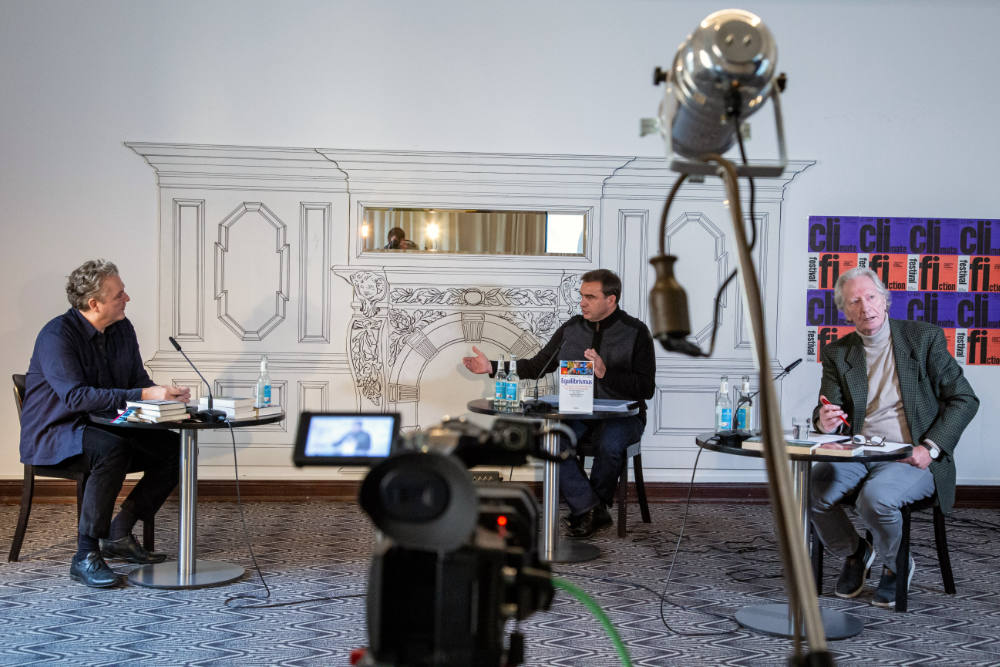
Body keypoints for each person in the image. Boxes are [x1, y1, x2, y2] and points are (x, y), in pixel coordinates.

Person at [810, 267, 978, 608]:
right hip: (859, 452)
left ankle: (895, 565)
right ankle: (857, 552)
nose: (865, 306)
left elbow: (965, 399)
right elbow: (827, 407)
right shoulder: (837, 352)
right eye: (855, 301)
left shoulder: (923, 338)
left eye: (871, 297)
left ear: (884, 301)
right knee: (807, 490)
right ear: (846, 311)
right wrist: (824, 420)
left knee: (875, 499)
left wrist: (930, 449)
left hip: (911, 455)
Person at [19, 260, 190, 588]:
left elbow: (137, 380)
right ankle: (85, 555)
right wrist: (144, 393)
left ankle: (119, 532)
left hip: (107, 426)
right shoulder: (57, 335)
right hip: (57, 433)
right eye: (119, 293)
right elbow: (76, 398)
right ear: (94, 303)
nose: (127, 298)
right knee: (110, 449)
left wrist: (164, 400)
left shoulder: (122, 328)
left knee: (174, 447)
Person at [463, 269, 655, 537]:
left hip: (623, 417)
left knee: (610, 444)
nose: (582, 302)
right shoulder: (571, 329)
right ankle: (592, 509)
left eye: (590, 297)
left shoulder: (636, 332)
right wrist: (492, 366)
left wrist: (605, 373)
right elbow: (537, 365)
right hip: (576, 414)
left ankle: (590, 511)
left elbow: (646, 389)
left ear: (611, 300)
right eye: (581, 296)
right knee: (551, 441)